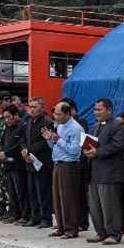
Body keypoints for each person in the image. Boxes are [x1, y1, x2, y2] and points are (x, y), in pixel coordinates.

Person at [85, 98, 124, 245]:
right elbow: (91, 144)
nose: (96, 112)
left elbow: (118, 145)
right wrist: (88, 150)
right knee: (95, 205)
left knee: (109, 204)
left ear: (109, 110)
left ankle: (114, 233)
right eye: (95, 110)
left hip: (109, 171)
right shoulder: (95, 126)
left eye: (99, 110)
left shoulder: (118, 125)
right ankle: (100, 231)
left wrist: (98, 151)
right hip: (94, 171)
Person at [44, 102, 84, 239]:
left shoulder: (76, 128)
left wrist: (58, 140)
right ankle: (61, 227)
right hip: (57, 163)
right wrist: (50, 139)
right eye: (55, 113)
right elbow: (56, 146)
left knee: (68, 198)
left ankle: (71, 229)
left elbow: (75, 150)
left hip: (69, 165)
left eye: (59, 114)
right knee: (57, 198)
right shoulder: (60, 126)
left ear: (68, 113)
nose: (56, 116)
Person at [22, 97, 54, 228]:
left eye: (35, 107)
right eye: (30, 107)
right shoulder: (29, 121)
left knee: (43, 192)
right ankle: (35, 216)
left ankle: (45, 218)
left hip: (42, 162)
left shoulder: (47, 122)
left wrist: (29, 150)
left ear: (42, 107)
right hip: (30, 162)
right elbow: (24, 139)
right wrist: (24, 150)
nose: (32, 109)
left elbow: (45, 142)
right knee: (32, 191)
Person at [59, 97, 90, 231]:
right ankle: (69, 222)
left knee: (79, 194)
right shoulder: (61, 125)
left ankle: (82, 222)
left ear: (70, 110)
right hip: (63, 159)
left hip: (78, 161)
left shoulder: (79, 123)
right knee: (66, 195)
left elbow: (80, 145)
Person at [0, 105, 28, 224]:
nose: (6, 120)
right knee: (11, 191)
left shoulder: (23, 127)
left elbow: (20, 145)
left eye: (9, 117)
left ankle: (24, 215)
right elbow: (2, 142)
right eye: (5, 118)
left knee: (21, 190)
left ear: (16, 115)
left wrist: (6, 153)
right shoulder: (7, 128)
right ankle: (14, 213)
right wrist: (1, 152)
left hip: (18, 163)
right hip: (8, 164)